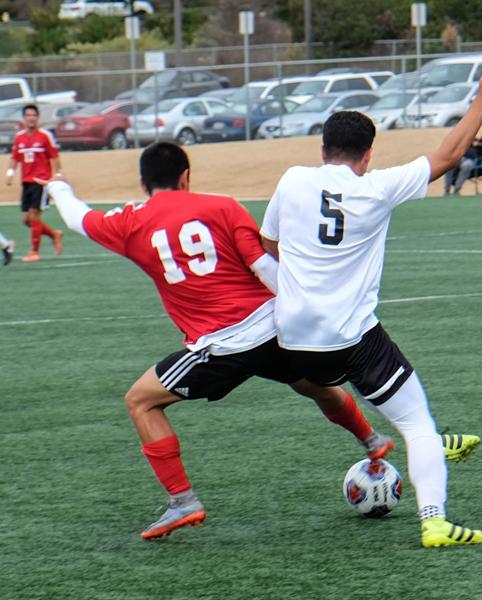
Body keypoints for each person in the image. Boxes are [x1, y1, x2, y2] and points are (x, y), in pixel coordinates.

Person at [40, 142, 398, 541]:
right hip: (274, 327)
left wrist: (58, 189)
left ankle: (183, 501)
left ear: (144, 184)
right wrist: (305, 311)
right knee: (312, 385)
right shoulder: (222, 205)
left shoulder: (130, 222)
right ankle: (372, 439)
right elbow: (265, 267)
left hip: (222, 345)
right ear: (185, 177)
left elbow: (77, 219)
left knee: (141, 401)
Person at [260, 57, 482, 548]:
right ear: (368, 154)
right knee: (416, 422)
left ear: (322, 150)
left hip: (291, 338)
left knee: (354, 392)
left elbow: (269, 245)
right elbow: (446, 157)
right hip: (351, 337)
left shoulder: (292, 179)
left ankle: (426, 441)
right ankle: (435, 521)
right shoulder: (376, 188)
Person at [5, 104, 64, 262]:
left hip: (41, 181)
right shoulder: (19, 137)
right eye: (28, 115)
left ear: (37, 118)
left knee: (34, 215)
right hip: (26, 182)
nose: (31, 118)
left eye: (33, 115)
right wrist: (10, 173)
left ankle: (34, 252)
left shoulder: (45, 135)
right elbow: (15, 157)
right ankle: (54, 234)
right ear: (24, 118)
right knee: (26, 219)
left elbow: (54, 156)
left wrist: (58, 174)